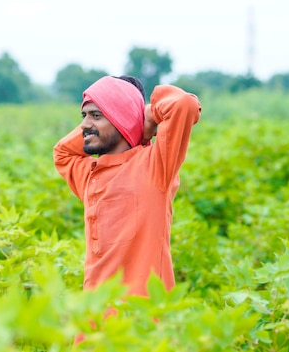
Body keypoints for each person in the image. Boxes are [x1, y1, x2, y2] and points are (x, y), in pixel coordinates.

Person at [53, 75, 201, 300]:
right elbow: (62, 152)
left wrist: (146, 117)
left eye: (96, 115)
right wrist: (117, 120)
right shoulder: (90, 174)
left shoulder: (155, 167)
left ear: (122, 119)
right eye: (84, 115)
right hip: (94, 321)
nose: (84, 124)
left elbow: (184, 104)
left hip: (143, 322)